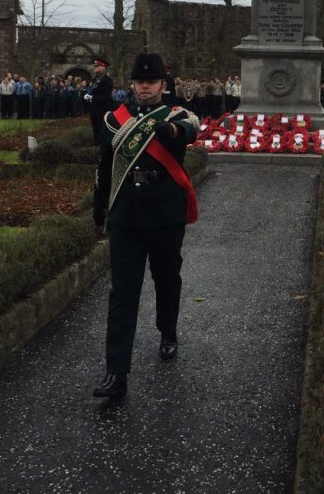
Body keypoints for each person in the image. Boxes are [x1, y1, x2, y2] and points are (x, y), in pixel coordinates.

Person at [92, 52, 199, 399]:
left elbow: (186, 131)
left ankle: (167, 331)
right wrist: (99, 213)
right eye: (140, 81)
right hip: (126, 218)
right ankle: (116, 372)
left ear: (163, 85)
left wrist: (166, 129)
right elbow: (105, 169)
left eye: (152, 82)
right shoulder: (116, 120)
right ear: (133, 84)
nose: (145, 87)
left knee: (167, 278)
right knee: (122, 292)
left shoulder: (176, 116)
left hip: (165, 216)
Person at [89, 58, 114, 145]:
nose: (95, 68)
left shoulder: (107, 80)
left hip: (102, 110)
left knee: (101, 132)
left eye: (97, 66)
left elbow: (106, 96)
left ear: (103, 67)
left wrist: (93, 97)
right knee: (95, 130)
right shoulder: (96, 79)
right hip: (94, 109)